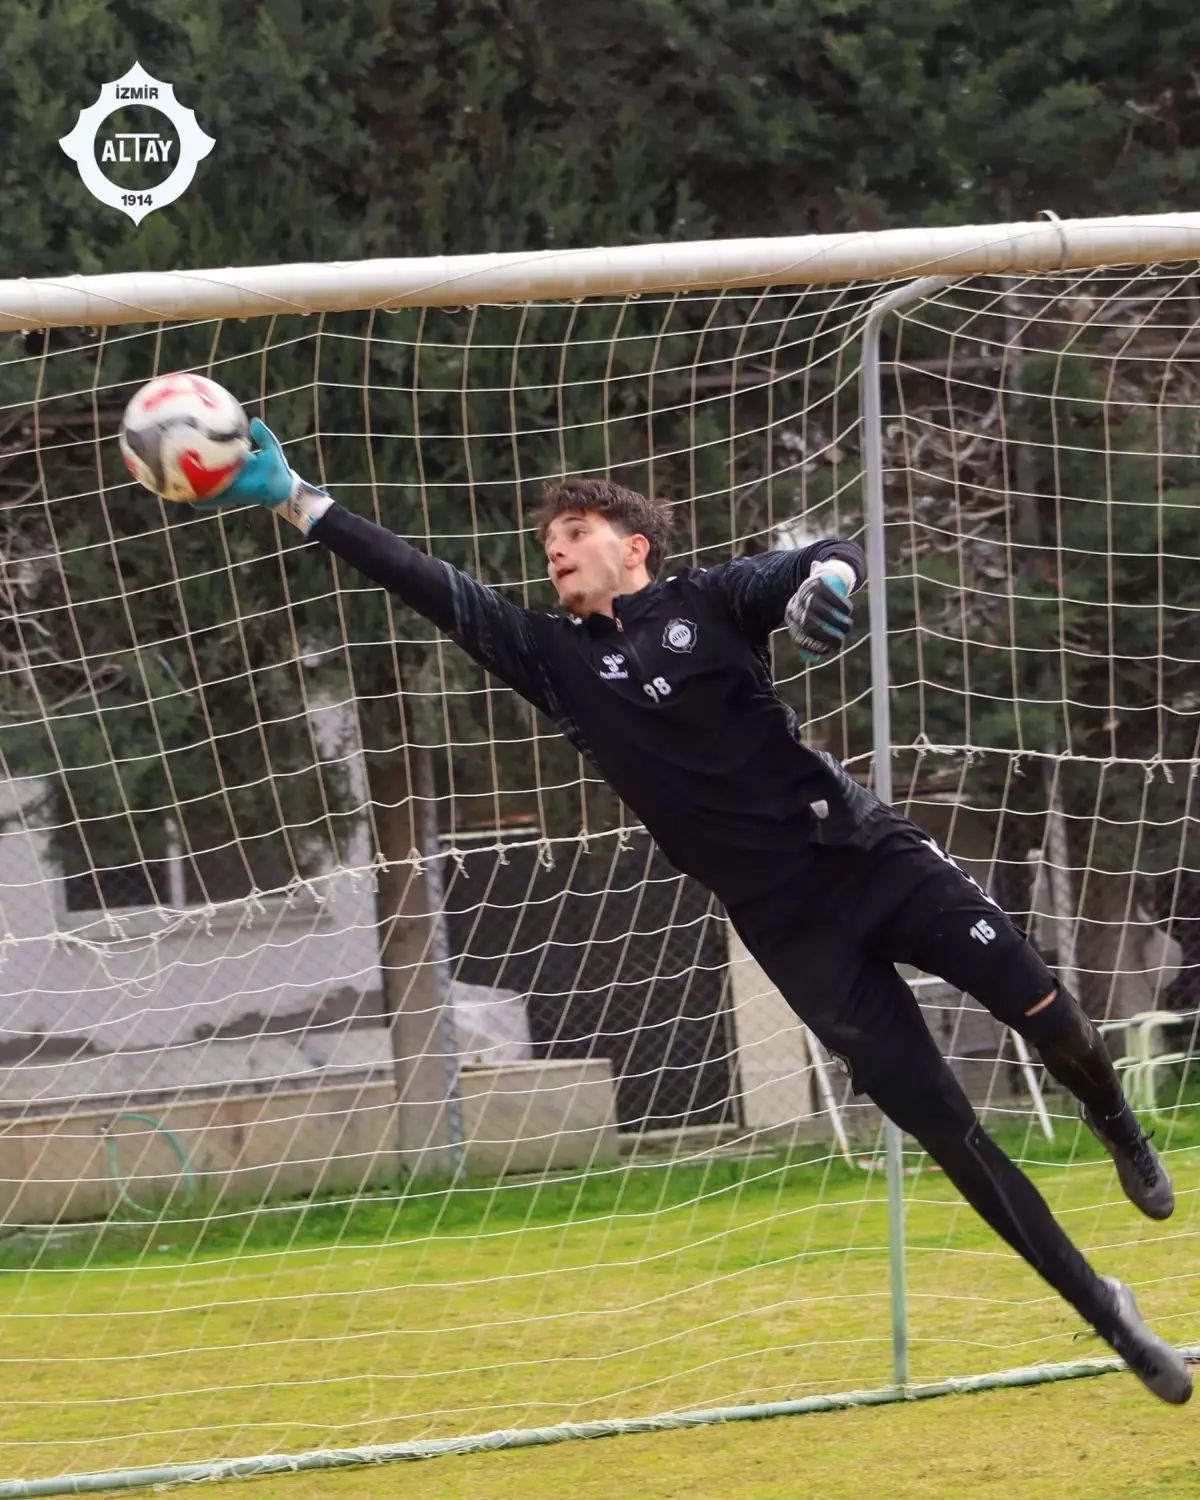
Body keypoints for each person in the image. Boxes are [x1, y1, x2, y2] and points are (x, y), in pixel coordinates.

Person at [198, 418, 1191, 1404]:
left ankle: (1112, 1116)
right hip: (792, 932)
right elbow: (430, 585)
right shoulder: (553, 659)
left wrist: (829, 588)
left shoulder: (707, 601)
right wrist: (299, 501)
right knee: (946, 1131)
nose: (555, 545)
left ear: (633, 546)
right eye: (549, 539)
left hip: (868, 856)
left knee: (1046, 1010)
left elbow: (824, 555)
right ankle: (1110, 1316)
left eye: (577, 528)